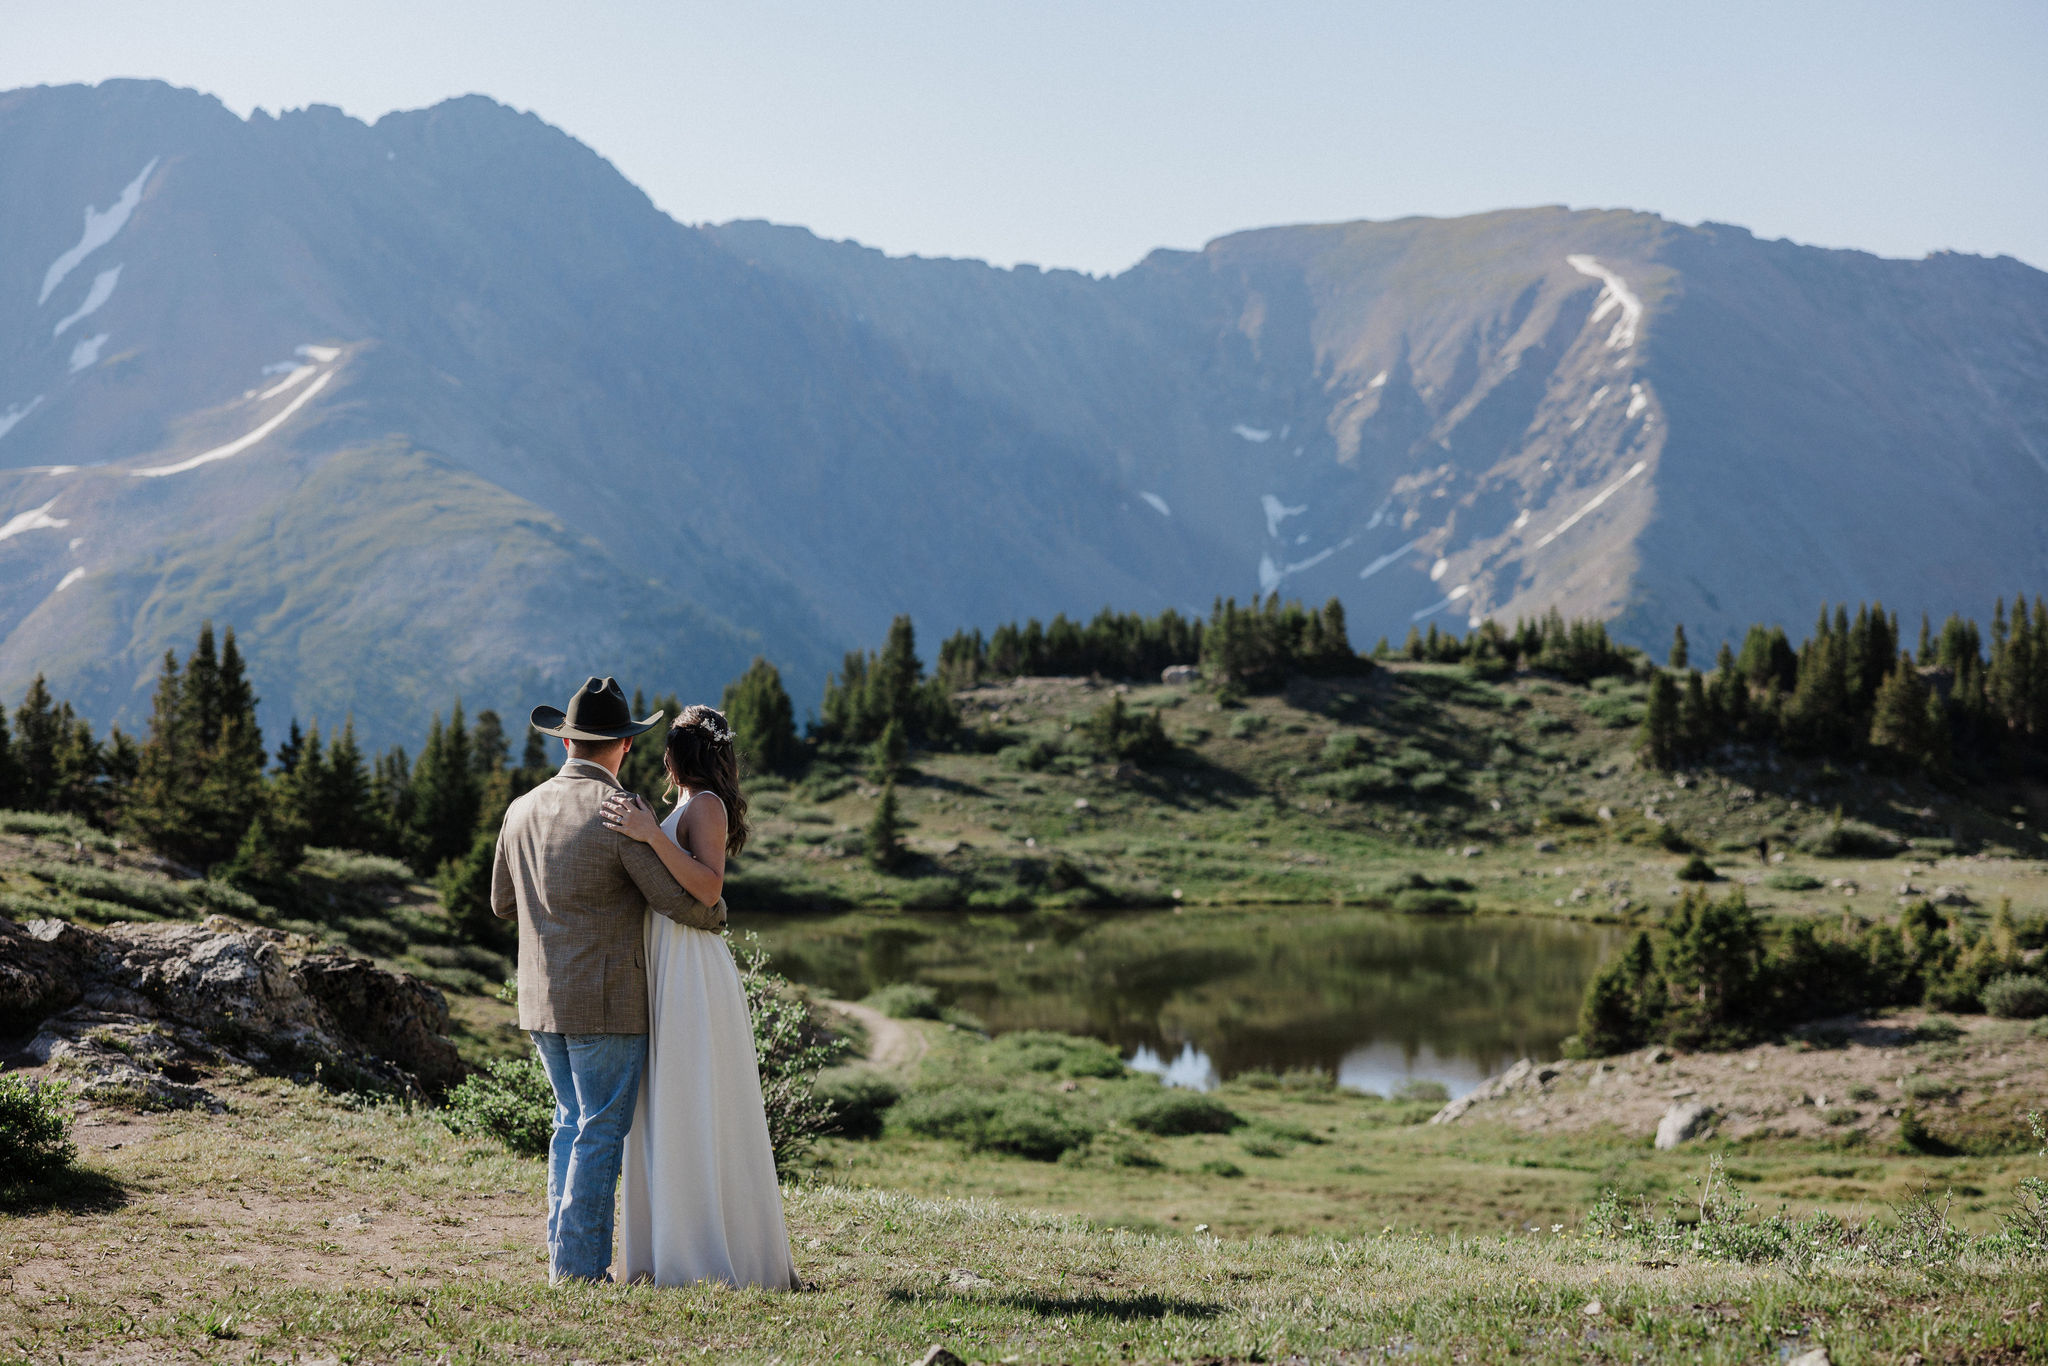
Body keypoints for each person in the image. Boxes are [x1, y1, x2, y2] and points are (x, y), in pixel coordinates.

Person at [491, 676, 726, 1285]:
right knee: (598, 1132)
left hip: (541, 997)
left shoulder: (520, 808)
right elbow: (674, 902)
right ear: (622, 746)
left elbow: (500, 903)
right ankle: (576, 1271)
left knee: (570, 1122)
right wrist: (716, 913)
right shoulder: (616, 813)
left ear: (566, 742)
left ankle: (561, 1258)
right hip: (607, 1000)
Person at [602, 704, 801, 1290]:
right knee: (668, 1098)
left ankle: (705, 1252)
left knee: (691, 1096)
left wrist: (647, 836)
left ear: (677, 754)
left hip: (690, 963)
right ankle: (664, 1244)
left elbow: (709, 885)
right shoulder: (688, 805)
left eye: (667, 747)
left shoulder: (706, 806)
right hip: (668, 959)